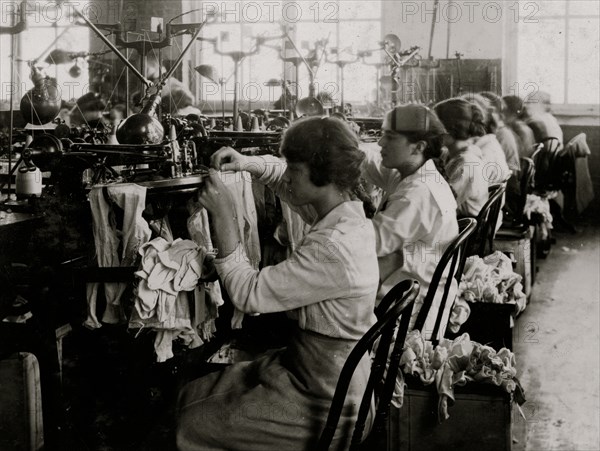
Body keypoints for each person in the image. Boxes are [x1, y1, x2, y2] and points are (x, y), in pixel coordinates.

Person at [176, 116, 380, 450]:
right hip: (327, 372)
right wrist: (247, 164)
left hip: (327, 400)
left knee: (194, 421)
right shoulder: (345, 214)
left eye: (294, 168)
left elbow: (249, 294)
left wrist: (224, 214)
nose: (287, 174)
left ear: (321, 174)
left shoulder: (333, 248)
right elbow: (288, 184)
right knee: (196, 393)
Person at [360, 104, 459, 339]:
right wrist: (341, 140)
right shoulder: (416, 174)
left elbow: (371, 244)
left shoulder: (416, 194)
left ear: (419, 147)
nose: (380, 143)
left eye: (390, 137)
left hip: (409, 316)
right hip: (414, 292)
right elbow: (369, 161)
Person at [434, 98, 489, 217]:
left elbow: (439, 206)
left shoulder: (465, 163)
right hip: (457, 220)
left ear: (450, 129)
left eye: (435, 127)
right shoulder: (456, 153)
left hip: (464, 228)